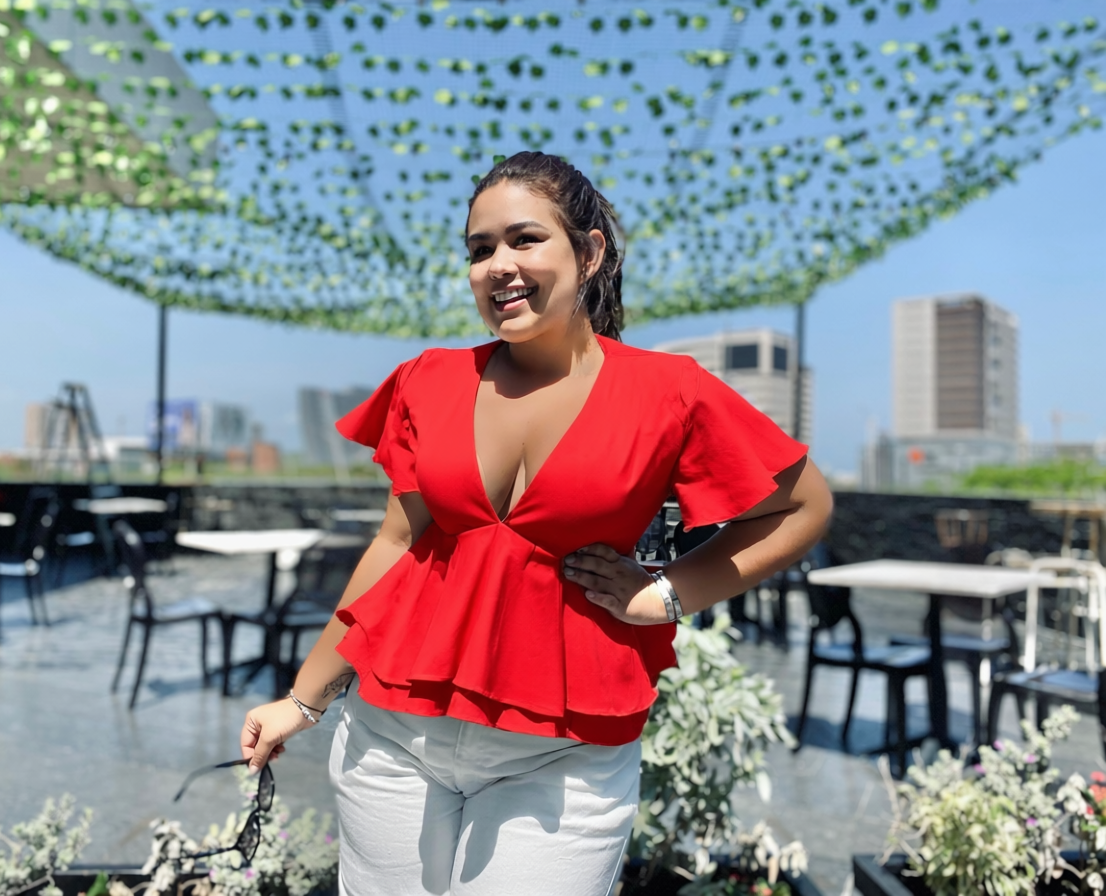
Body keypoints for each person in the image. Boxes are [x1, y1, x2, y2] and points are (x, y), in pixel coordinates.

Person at [240, 151, 834, 895]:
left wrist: (671, 592)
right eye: (479, 249)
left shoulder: (668, 392)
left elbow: (804, 505)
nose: (498, 266)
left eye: (524, 240)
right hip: (391, 735)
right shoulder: (429, 379)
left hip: (562, 757)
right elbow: (396, 544)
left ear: (589, 254)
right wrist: (303, 699)